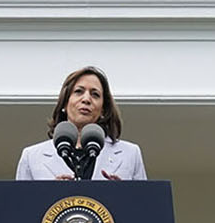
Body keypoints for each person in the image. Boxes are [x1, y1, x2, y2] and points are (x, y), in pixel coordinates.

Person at [15, 67, 147, 181]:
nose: (86, 99)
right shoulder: (32, 157)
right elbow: (22, 207)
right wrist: (50, 193)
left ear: (103, 109)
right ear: (65, 103)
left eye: (95, 94)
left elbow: (144, 206)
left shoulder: (130, 153)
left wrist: (124, 194)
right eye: (79, 91)